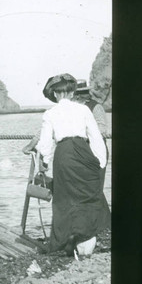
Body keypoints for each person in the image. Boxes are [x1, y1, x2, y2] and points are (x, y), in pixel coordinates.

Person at [36, 73, 110, 256]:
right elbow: (95, 136)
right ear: (71, 92)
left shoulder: (50, 113)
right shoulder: (83, 110)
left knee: (64, 199)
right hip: (83, 151)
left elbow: (45, 144)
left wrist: (44, 162)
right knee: (87, 196)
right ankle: (85, 240)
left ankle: (67, 240)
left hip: (63, 155)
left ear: (54, 94)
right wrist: (100, 161)